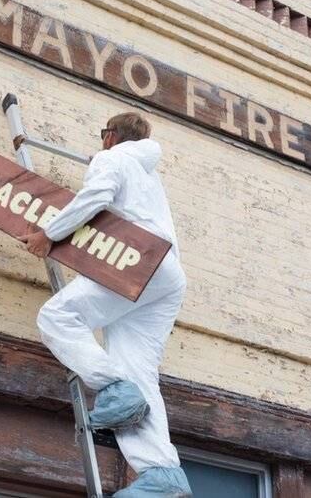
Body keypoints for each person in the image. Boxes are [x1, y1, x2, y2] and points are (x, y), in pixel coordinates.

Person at [18, 112, 193, 497]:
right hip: (167, 275)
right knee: (138, 369)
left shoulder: (113, 158)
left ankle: (113, 387)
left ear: (111, 136)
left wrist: (49, 234)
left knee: (57, 316)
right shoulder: (149, 174)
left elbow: (97, 196)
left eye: (102, 136)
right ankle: (162, 474)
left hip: (136, 262)